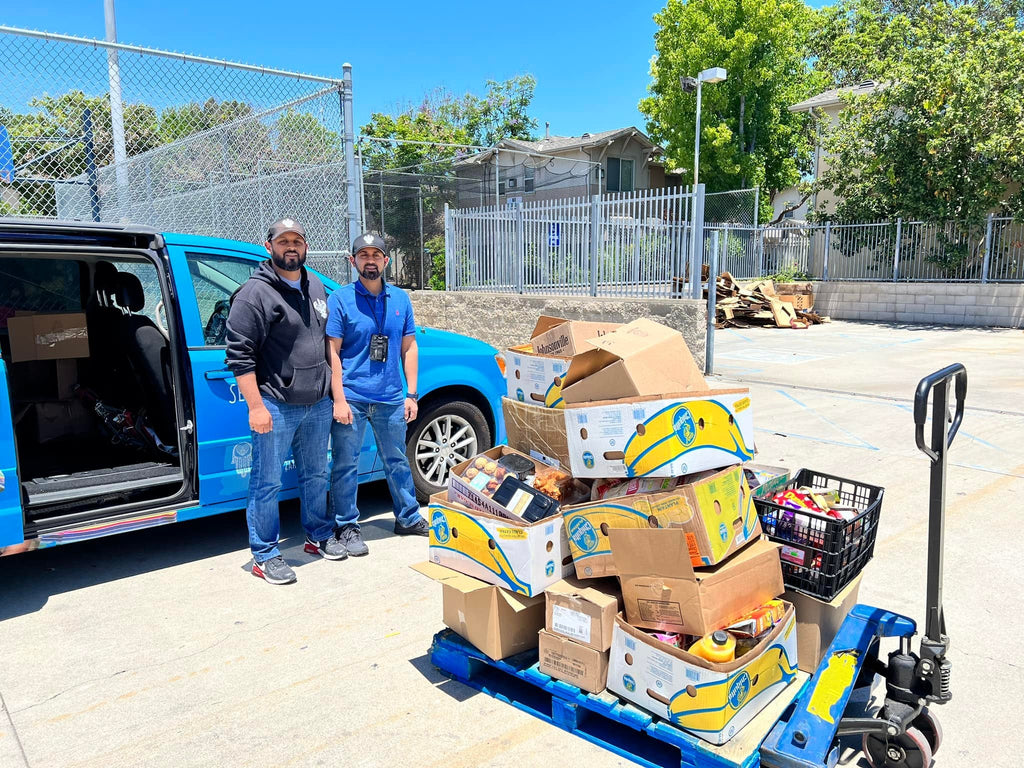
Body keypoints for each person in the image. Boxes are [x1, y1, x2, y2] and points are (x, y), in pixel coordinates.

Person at [226, 217, 348, 585]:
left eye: (297, 240)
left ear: (305, 245)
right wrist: (256, 407)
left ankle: (318, 535)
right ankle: (264, 553)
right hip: (275, 404)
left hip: (317, 402)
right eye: (283, 241)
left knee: (316, 474)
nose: (291, 247)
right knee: (267, 482)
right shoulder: (253, 294)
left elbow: (329, 342)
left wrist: (332, 393)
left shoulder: (315, 284)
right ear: (269, 246)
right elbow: (239, 357)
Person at [326, 232, 429, 556]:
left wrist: (411, 394)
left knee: (397, 459)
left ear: (386, 260)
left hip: (390, 397)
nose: (370, 260)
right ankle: (347, 526)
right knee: (346, 464)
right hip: (353, 398)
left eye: (376, 255)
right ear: (352, 260)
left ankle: (408, 517)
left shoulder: (400, 299)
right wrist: (339, 399)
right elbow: (333, 353)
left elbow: (408, 348)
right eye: (363, 255)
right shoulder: (340, 299)